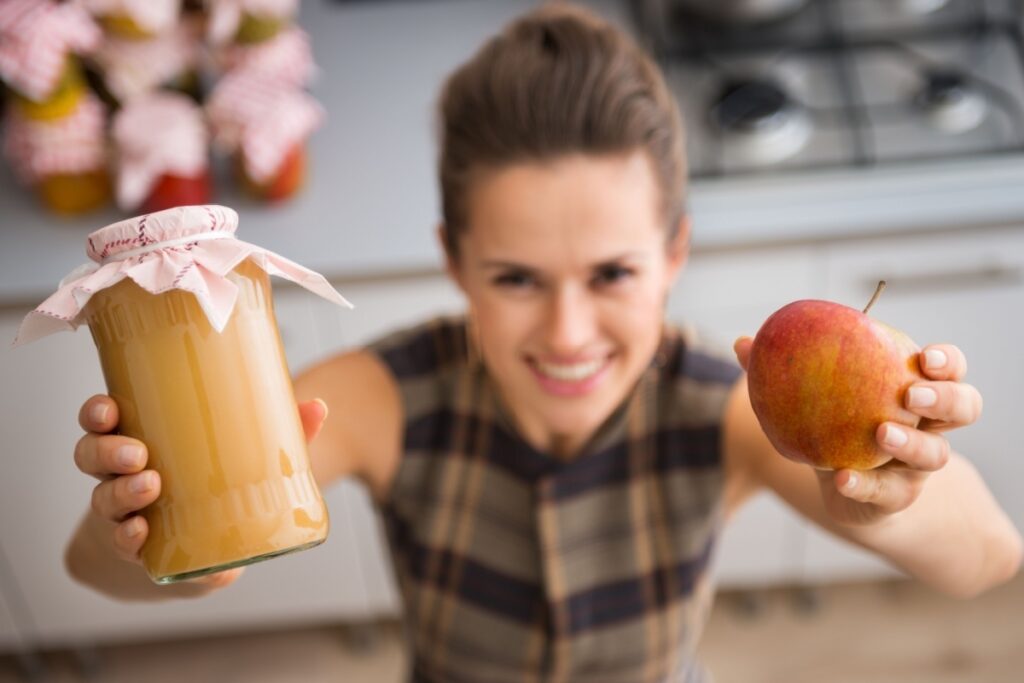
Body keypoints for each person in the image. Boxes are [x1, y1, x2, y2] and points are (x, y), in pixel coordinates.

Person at [63, 3, 1022, 681]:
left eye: (612, 275)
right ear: (454, 258)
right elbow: (132, 563)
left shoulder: (722, 406)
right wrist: (153, 528)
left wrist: (884, 498)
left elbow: (986, 561)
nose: (568, 334)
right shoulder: (384, 398)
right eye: (516, 278)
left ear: (674, 252)